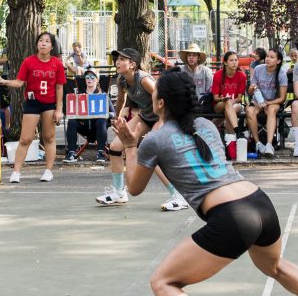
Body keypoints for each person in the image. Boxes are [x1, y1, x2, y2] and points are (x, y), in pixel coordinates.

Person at [115, 68, 298, 296]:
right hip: (259, 202)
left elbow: (133, 188)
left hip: (231, 216)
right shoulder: (205, 125)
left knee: (164, 281)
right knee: (274, 266)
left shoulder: (154, 141)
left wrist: (130, 145)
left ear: (159, 104)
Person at [95, 47, 188, 211]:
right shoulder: (122, 80)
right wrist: (117, 118)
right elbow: (121, 100)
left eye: (122, 59)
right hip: (146, 116)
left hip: (161, 115)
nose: (117, 62)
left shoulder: (144, 80)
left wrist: (163, 121)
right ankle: (118, 192)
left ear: (132, 64)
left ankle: (179, 196)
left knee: (152, 153)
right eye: (116, 59)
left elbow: (162, 98)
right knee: (115, 147)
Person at [0, 32, 65, 183]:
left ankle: (48, 170)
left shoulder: (57, 63)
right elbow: (19, 82)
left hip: (49, 103)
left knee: (48, 137)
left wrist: (59, 109)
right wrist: (3, 82)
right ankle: (16, 171)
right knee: (25, 138)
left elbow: (60, 87)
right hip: (32, 102)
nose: (43, 43)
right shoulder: (29, 61)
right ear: (37, 44)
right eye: (41, 41)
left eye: (47, 41)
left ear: (51, 46)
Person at [246, 47, 287, 156]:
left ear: (278, 61)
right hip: (258, 101)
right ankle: (258, 143)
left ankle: (269, 144)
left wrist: (268, 103)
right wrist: (252, 88)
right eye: (267, 56)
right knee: (249, 111)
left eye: (272, 57)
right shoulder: (258, 69)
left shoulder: (281, 74)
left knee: (271, 110)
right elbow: (250, 93)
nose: (268, 59)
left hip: (272, 102)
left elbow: (282, 98)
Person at [64, 68, 108, 163]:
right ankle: (71, 153)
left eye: (92, 77)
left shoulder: (103, 95)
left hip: (98, 128)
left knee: (102, 120)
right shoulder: (79, 95)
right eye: (87, 77)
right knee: (71, 121)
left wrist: (106, 114)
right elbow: (72, 112)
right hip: (83, 127)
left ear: (97, 80)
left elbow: (113, 113)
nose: (89, 79)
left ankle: (101, 153)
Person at [211, 51, 247, 154]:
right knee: (227, 104)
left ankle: (230, 142)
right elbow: (215, 97)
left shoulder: (241, 76)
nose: (234, 63)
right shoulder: (218, 75)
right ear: (225, 62)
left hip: (236, 104)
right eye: (231, 60)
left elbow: (240, 98)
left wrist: (232, 100)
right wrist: (223, 99)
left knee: (229, 107)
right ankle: (236, 133)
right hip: (219, 104)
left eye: (236, 60)